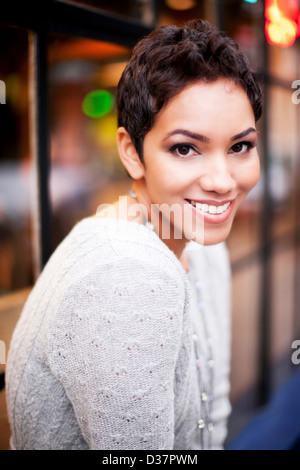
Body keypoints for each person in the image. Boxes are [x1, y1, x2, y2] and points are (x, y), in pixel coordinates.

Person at [5, 19, 262, 450]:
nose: (222, 180)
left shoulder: (201, 246)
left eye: (240, 146)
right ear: (131, 152)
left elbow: (212, 423)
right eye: (185, 148)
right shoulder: (127, 276)